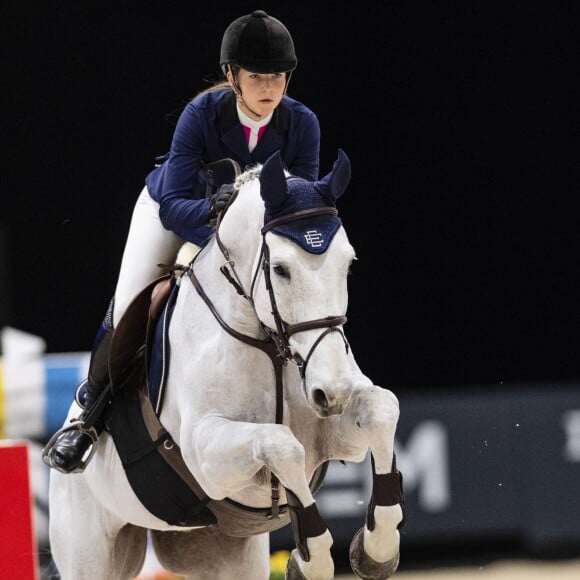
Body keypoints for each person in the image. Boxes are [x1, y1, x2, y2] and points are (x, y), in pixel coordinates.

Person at [43, 9, 321, 474]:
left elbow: (297, 207)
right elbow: (173, 205)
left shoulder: (302, 125)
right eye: (256, 77)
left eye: (277, 76)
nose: (269, 88)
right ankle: (90, 413)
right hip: (173, 217)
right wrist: (221, 219)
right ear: (232, 75)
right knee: (134, 301)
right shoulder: (201, 116)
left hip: (245, 240)